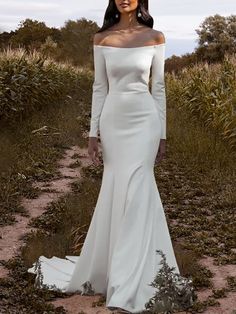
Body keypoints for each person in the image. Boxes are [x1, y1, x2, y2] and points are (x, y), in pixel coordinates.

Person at [28, 0, 180, 313]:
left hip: (145, 121)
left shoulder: (156, 37)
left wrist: (162, 134)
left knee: (140, 189)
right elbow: (99, 87)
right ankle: (115, 270)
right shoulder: (102, 39)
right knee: (116, 189)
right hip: (114, 121)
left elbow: (159, 87)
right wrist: (92, 133)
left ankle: (129, 282)